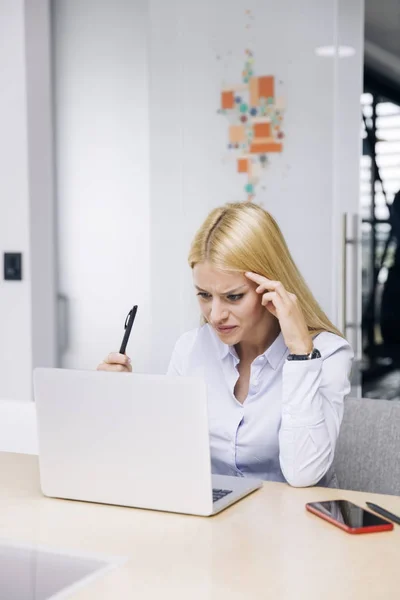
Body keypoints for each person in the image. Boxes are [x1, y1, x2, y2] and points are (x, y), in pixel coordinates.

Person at [98, 202, 353, 487]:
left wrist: (300, 354)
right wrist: (119, 400)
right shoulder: (190, 349)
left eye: (233, 297)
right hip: (215, 521)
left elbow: (303, 474)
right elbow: (166, 458)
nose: (215, 315)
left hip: (294, 524)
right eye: (204, 295)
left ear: (270, 286)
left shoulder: (329, 354)